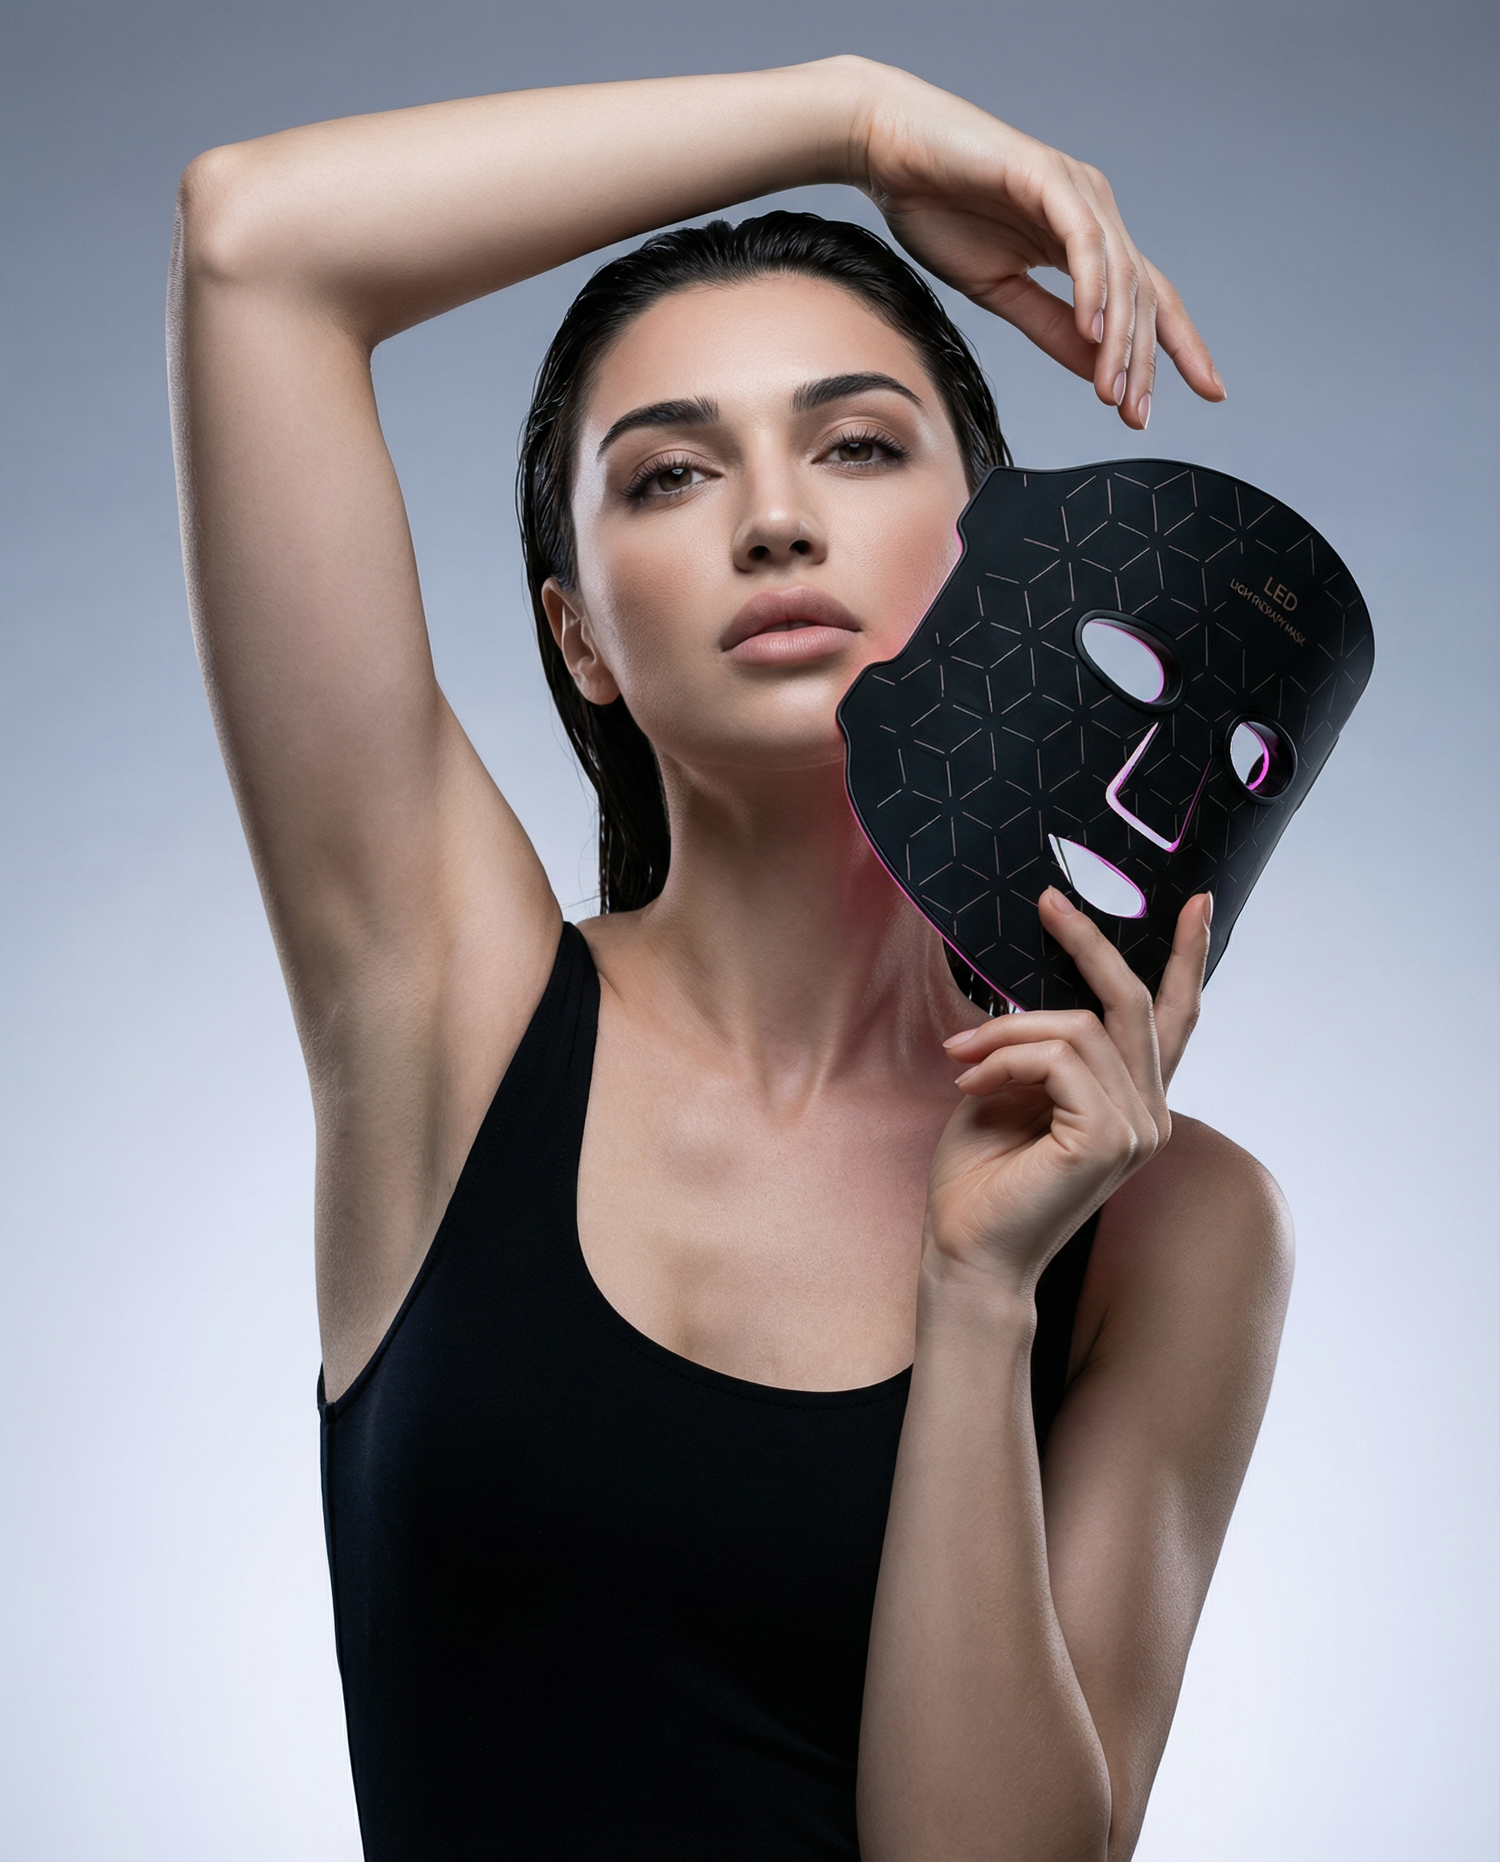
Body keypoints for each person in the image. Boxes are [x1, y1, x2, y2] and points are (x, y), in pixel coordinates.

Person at [169, 55, 1292, 1861]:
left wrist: (984, 1292)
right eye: (672, 472)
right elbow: (254, 247)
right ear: (580, 635)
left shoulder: (1174, 1217)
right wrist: (849, 121)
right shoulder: (449, 1015)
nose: (773, 517)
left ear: (992, 567)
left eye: (855, 444)